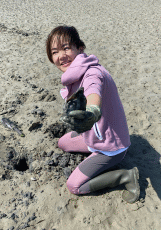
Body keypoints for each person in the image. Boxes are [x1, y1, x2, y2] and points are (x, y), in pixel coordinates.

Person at [46, 25, 140, 203]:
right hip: (97, 134)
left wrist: (93, 112)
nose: (61, 56)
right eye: (55, 52)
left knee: (74, 186)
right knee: (63, 143)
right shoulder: (75, 74)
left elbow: (93, 92)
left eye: (66, 48)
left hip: (111, 147)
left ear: (79, 48)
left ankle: (125, 176)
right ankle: (93, 146)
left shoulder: (92, 73)